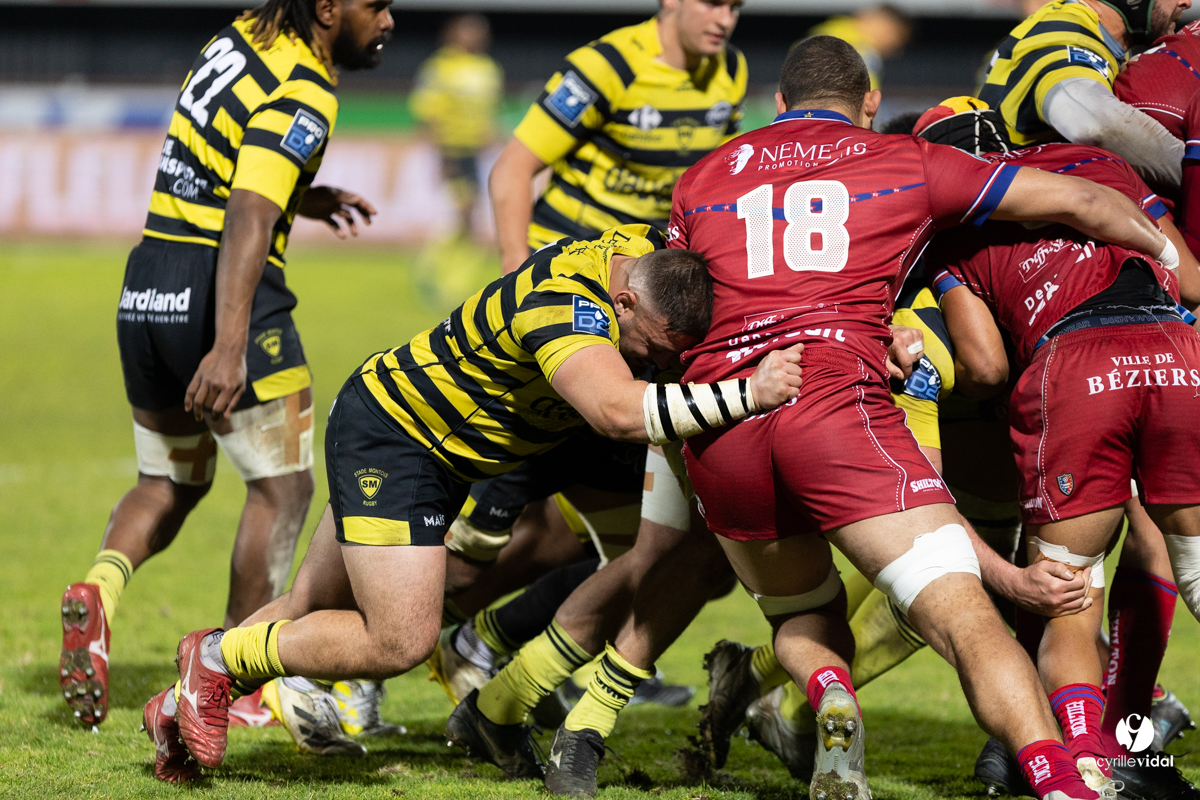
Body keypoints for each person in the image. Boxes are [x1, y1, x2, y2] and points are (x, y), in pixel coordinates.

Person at [670, 35, 1178, 800]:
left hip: (725, 422)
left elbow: (675, 299)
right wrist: (1160, 260)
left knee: (804, 610)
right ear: (870, 103)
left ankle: (818, 694)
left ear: (775, 105)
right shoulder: (903, 163)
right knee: (964, 620)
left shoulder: (703, 175)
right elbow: (1081, 202)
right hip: (835, 405)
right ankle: (1060, 780)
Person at [141, 224, 805, 783]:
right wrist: (749, 394)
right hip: (400, 439)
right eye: (651, 351)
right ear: (623, 304)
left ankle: (174, 706)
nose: (653, 364)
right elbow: (613, 410)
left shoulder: (652, 254)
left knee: (314, 611)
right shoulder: (564, 302)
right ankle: (218, 660)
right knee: (400, 637)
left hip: (441, 445)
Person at [59, 0, 391, 733]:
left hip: (149, 277)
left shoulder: (246, 32)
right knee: (283, 490)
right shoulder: (307, 85)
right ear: (329, 9)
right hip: (225, 288)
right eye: (377, 6)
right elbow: (246, 208)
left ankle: (100, 593)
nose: (390, 20)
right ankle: (234, 677)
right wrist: (229, 342)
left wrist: (302, 198)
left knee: (168, 480)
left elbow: (223, 160)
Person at [918, 100, 1200, 799]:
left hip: (1074, 371)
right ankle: (1128, 732)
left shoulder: (948, 226)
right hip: (1176, 354)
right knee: (1194, 565)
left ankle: (1086, 761)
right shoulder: (1102, 164)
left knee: (1068, 596)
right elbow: (1189, 277)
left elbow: (982, 364)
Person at [489, 0, 748, 275]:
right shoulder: (607, 66)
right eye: (713, 3)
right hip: (569, 252)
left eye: (734, 7)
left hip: (647, 265)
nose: (725, 20)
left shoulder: (731, 68)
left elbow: (725, 178)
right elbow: (512, 168)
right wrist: (516, 273)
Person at [978, 0, 1191, 189]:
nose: (1186, 3)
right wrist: (1194, 169)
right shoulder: (1066, 32)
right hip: (1016, 223)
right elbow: (1094, 125)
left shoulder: (1090, 29)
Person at [411, 14, 503, 240]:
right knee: (459, 207)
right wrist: (437, 147)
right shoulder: (440, 66)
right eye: (467, 31)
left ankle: (450, 261)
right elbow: (427, 107)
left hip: (476, 149)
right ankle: (435, 259)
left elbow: (489, 111)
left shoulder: (488, 69)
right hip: (450, 146)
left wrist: (491, 133)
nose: (474, 36)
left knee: (470, 210)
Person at [807, 5, 913, 89]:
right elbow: (865, 102)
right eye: (897, 38)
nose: (894, 50)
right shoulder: (863, 51)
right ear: (888, 27)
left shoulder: (823, 31)